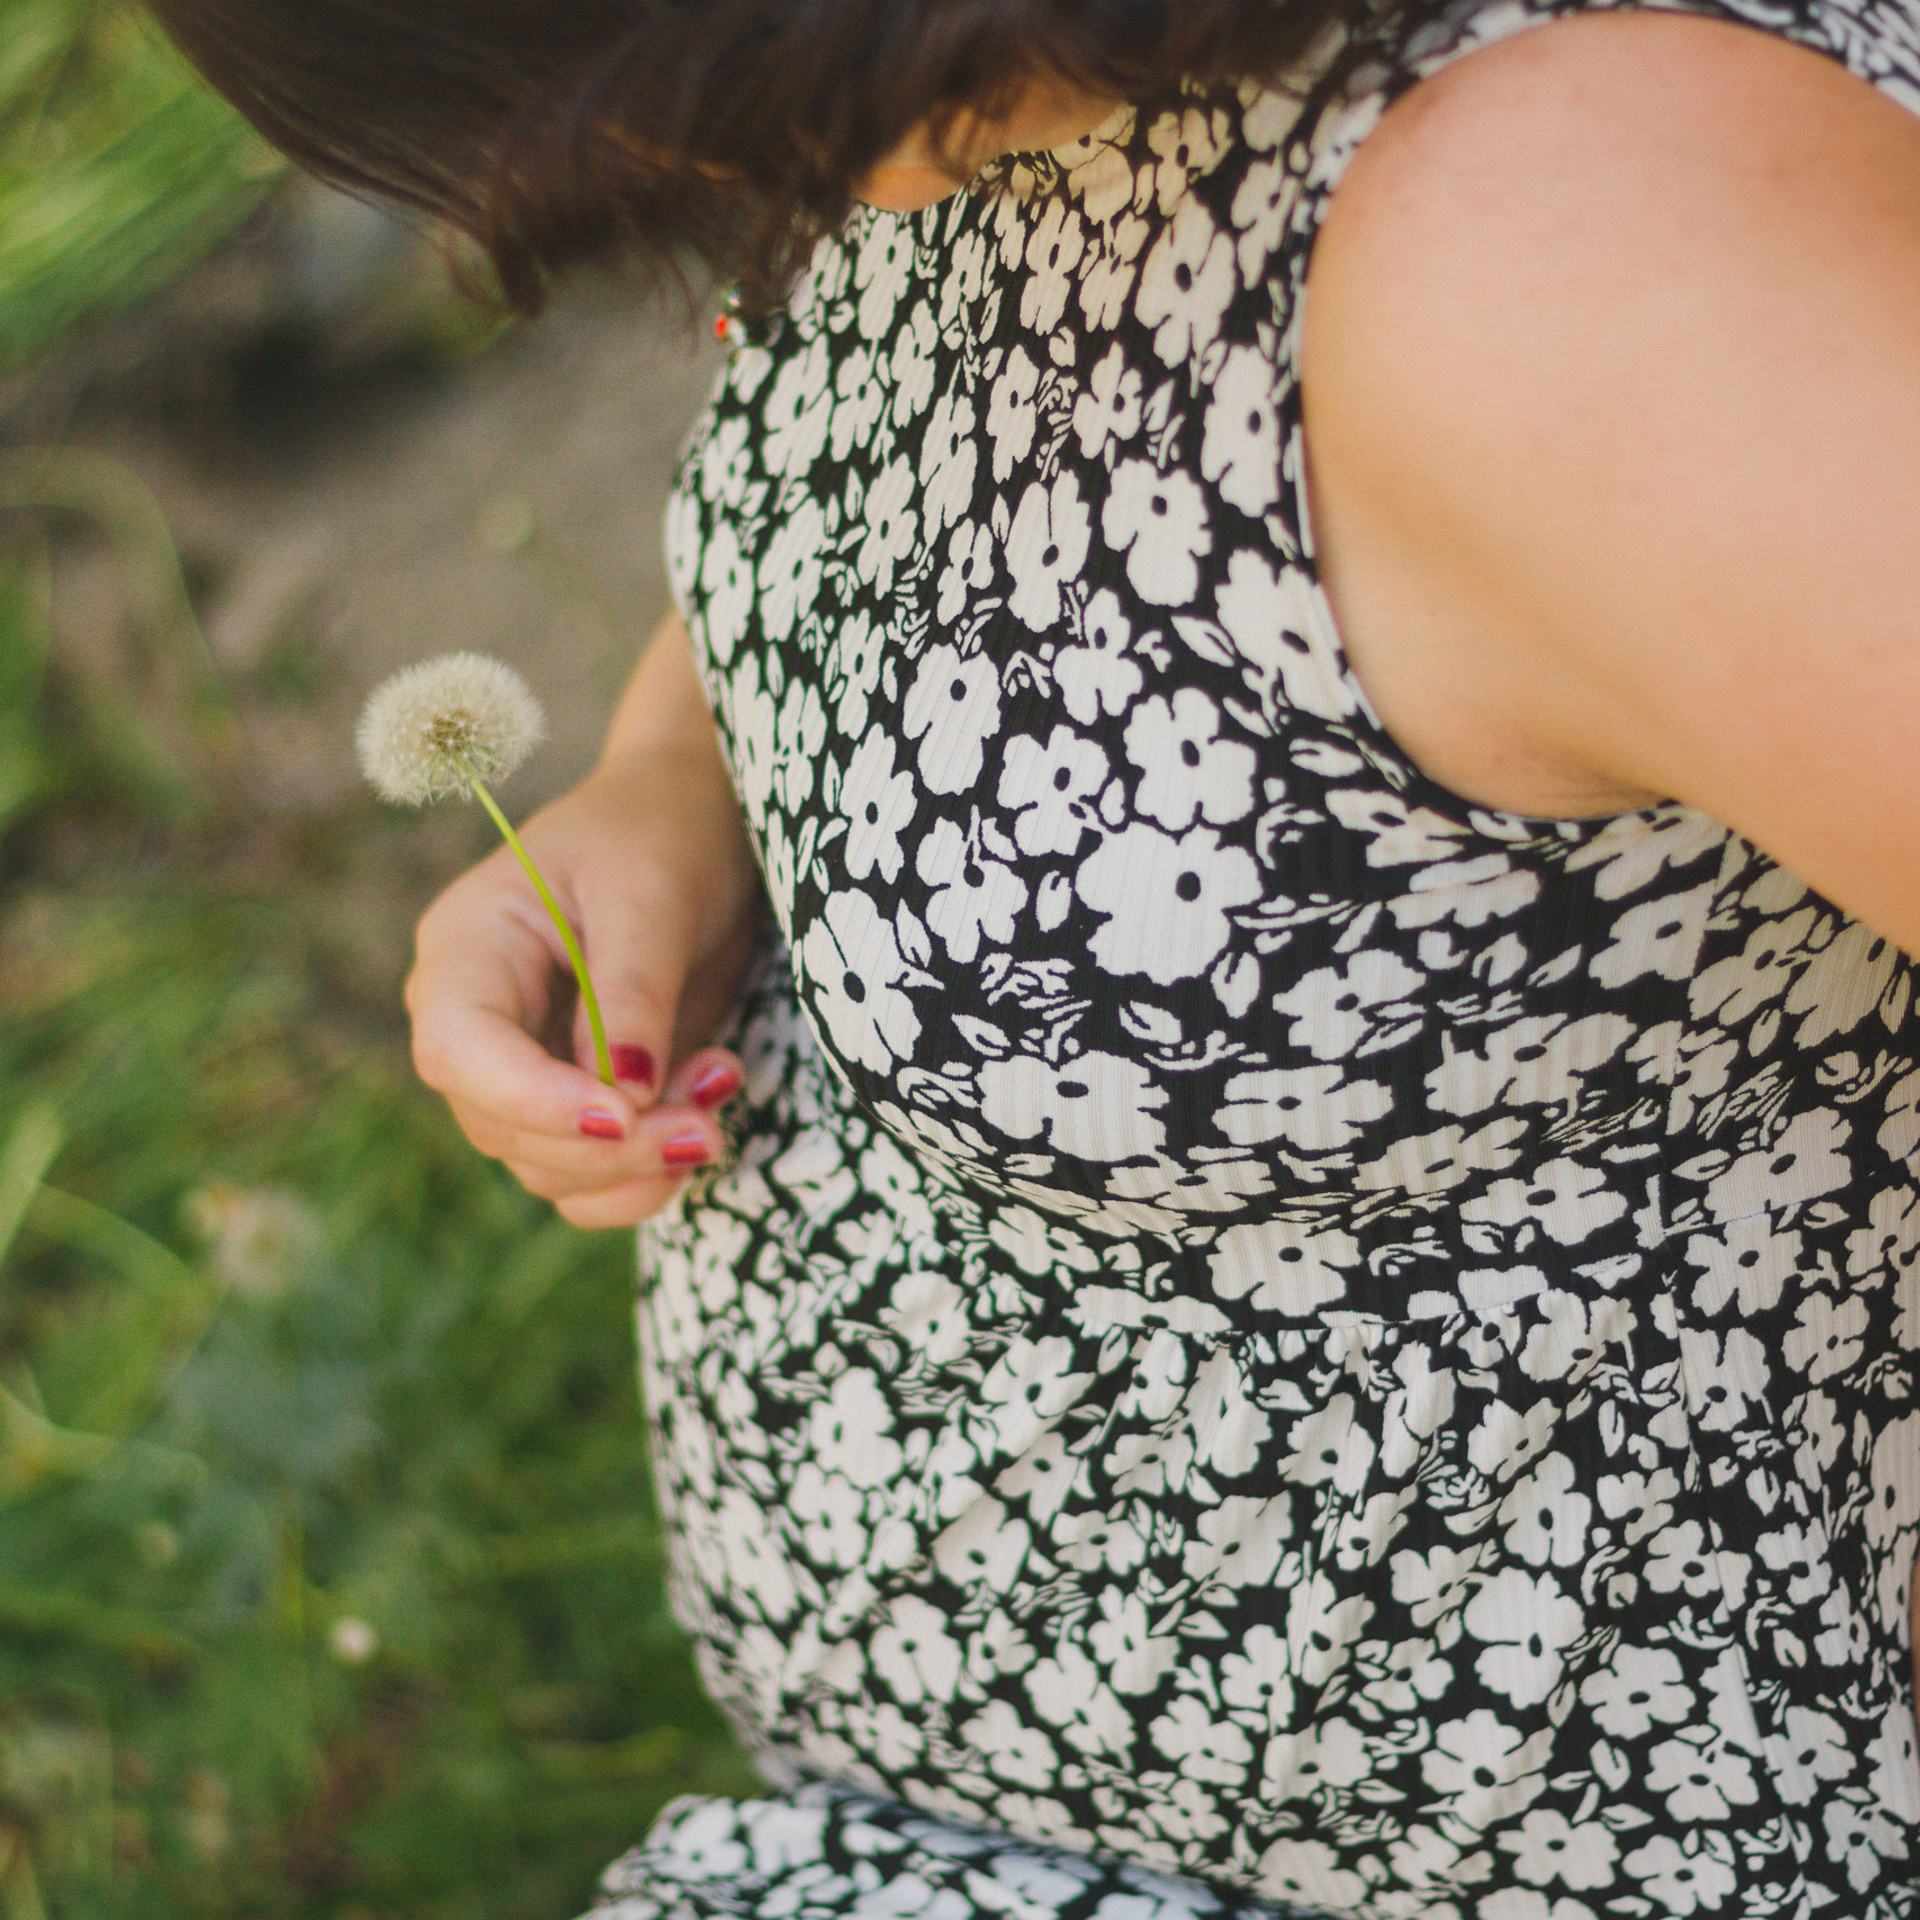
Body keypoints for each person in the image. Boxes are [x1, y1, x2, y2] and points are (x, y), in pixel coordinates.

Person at [145, 0, 1920, 1913]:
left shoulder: (1569, 241)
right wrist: (679, 790)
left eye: (642, 106)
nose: (681, 181)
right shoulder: (975, 104)